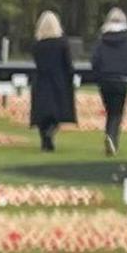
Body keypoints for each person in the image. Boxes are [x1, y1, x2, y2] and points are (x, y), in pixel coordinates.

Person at [88, 5, 127, 157]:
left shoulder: (101, 40)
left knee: (110, 111)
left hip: (105, 80)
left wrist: (98, 75)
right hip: (123, 79)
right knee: (117, 113)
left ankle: (109, 137)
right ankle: (112, 138)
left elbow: (94, 60)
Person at [28, 9, 76, 153]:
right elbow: (68, 63)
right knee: (57, 112)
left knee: (42, 113)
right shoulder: (62, 43)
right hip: (58, 80)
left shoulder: (37, 45)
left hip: (41, 80)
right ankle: (51, 133)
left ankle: (44, 141)